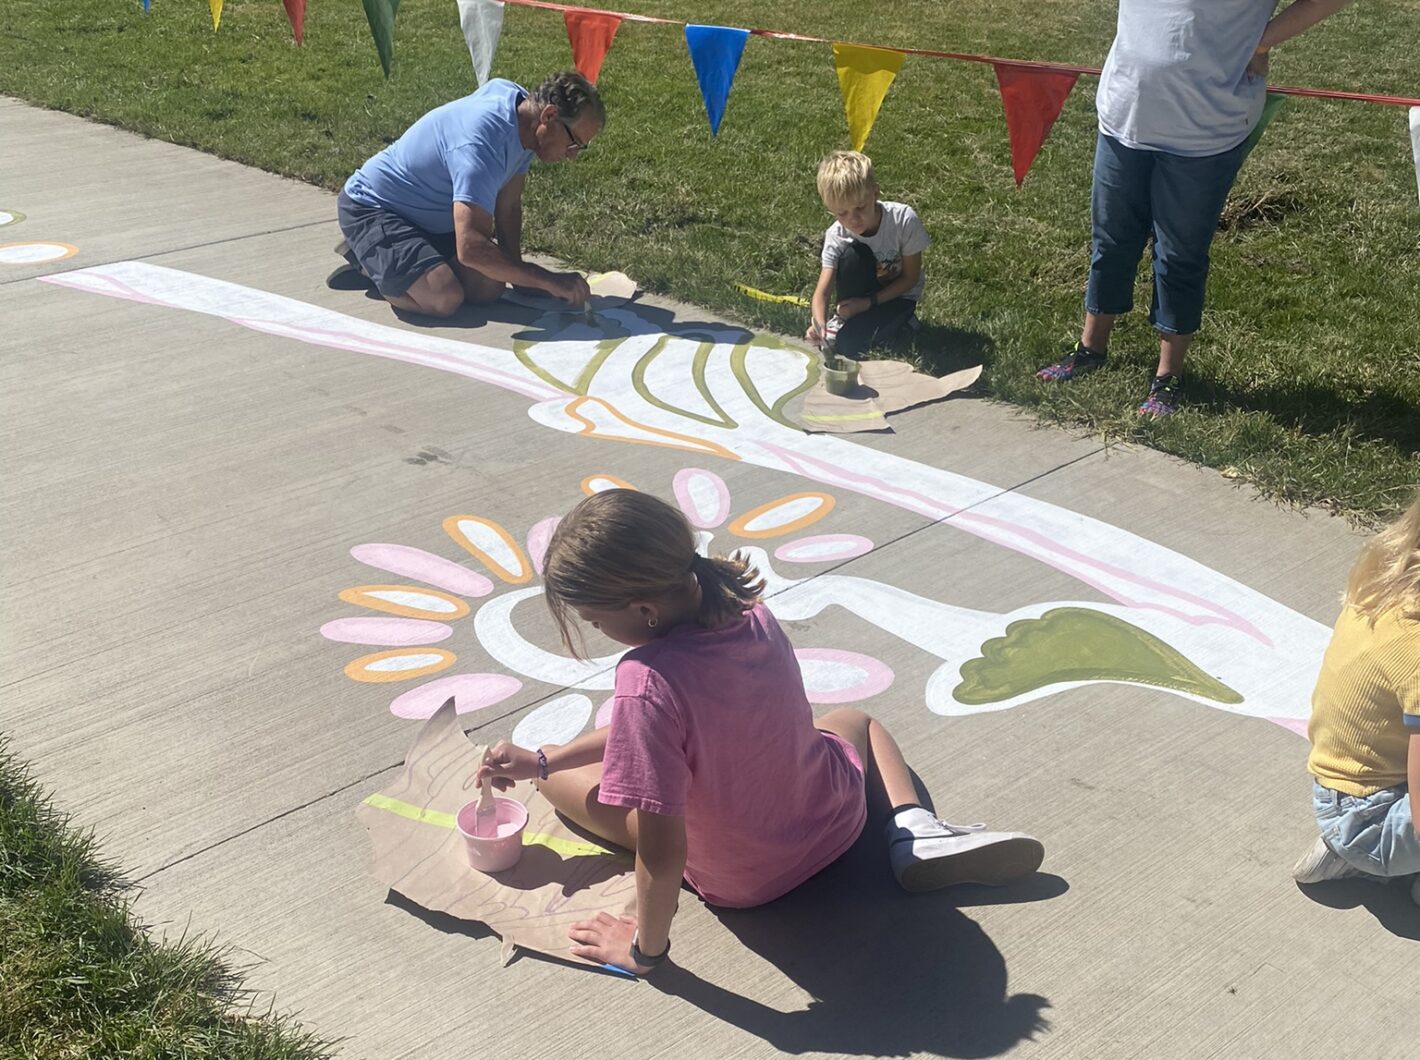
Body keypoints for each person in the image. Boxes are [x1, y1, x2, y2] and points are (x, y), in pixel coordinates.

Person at [476, 490, 1044, 974]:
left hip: (747, 878)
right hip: (838, 821)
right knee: (854, 721)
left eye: (596, 622)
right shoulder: (747, 607)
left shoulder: (646, 682)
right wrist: (548, 755)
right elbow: (658, 730)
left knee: (560, 788)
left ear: (645, 608)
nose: (598, 631)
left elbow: (663, 849)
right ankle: (914, 827)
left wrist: (645, 953)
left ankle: (553, 776)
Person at [1036, 0, 1355, 416]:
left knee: (1179, 253)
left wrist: (1262, 41)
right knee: (1110, 238)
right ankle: (1090, 349)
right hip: (1124, 111)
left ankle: (1168, 377)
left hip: (1205, 129)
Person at [332, 71, 601, 317]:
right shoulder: (480, 145)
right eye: (574, 143)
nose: (573, 156)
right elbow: (471, 247)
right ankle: (369, 263)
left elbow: (508, 206)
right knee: (444, 297)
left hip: (430, 216)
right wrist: (547, 280)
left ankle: (405, 263)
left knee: (488, 287)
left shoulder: (524, 117)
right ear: (550, 116)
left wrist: (526, 282)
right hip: (374, 207)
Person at [1291, 490, 1420, 906]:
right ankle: (1371, 859)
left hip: (1347, 795)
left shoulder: (1394, 578)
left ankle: (1351, 853)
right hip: (1374, 821)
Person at [806, 151, 930, 360]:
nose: (853, 220)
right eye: (841, 213)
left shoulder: (903, 221)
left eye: (860, 208)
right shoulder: (836, 234)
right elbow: (823, 291)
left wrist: (867, 304)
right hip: (860, 295)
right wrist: (819, 325)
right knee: (851, 255)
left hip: (899, 295)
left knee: (849, 344)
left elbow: (911, 278)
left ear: (875, 193)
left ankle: (904, 319)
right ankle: (848, 319)